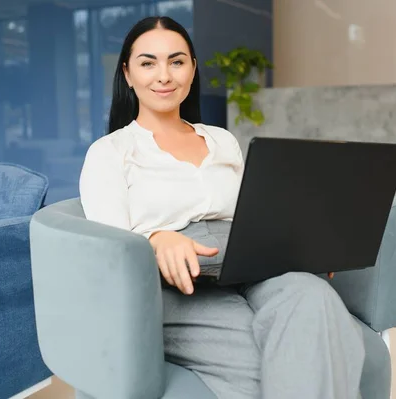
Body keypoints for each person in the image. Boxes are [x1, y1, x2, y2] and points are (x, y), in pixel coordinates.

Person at [79, 16, 365, 399]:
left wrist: (304, 243)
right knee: (288, 357)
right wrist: (155, 239)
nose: (164, 75)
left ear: (193, 70)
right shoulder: (110, 152)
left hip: (249, 265)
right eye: (148, 63)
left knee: (315, 298)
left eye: (177, 61)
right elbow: (108, 249)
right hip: (172, 286)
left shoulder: (222, 141)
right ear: (128, 74)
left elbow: (253, 213)